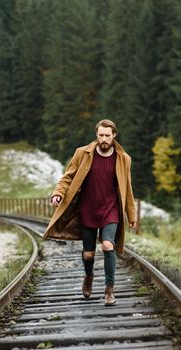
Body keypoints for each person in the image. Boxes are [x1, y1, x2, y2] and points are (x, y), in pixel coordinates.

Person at [43, 119, 137, 306]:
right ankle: (89, 276)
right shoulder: (82, 153)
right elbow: (67, 177)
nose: (103, 139)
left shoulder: (123, 158)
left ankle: (109, 290)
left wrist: (131, 214)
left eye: (107, 136)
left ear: (114, 136)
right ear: (96, 134)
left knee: (108, 245)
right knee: (88, 254)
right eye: (100, 135)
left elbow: (128, 187)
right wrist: (58, 194)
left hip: (110, 210)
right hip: (88, 209)